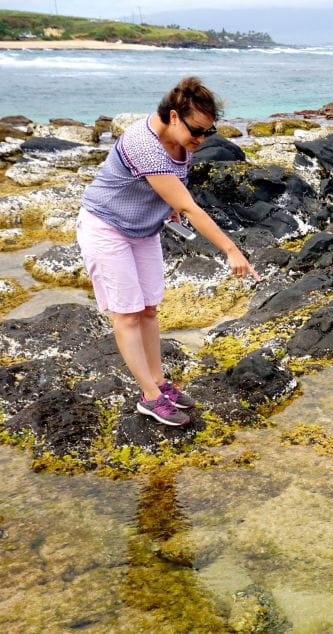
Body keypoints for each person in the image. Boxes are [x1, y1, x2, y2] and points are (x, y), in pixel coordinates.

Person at [77, 77, 259, 427]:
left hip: (144, 229)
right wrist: (231, 250)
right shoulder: (143, 144)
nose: (201, 140)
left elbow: (172, 187)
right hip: (106, 228)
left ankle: (160, 382)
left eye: (208, 132)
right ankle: (149, 396)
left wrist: (168, 205)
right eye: (197, 131)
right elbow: (189, 206)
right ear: (174, 116)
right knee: (127, 314)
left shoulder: (181, 143)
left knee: (148, 309)